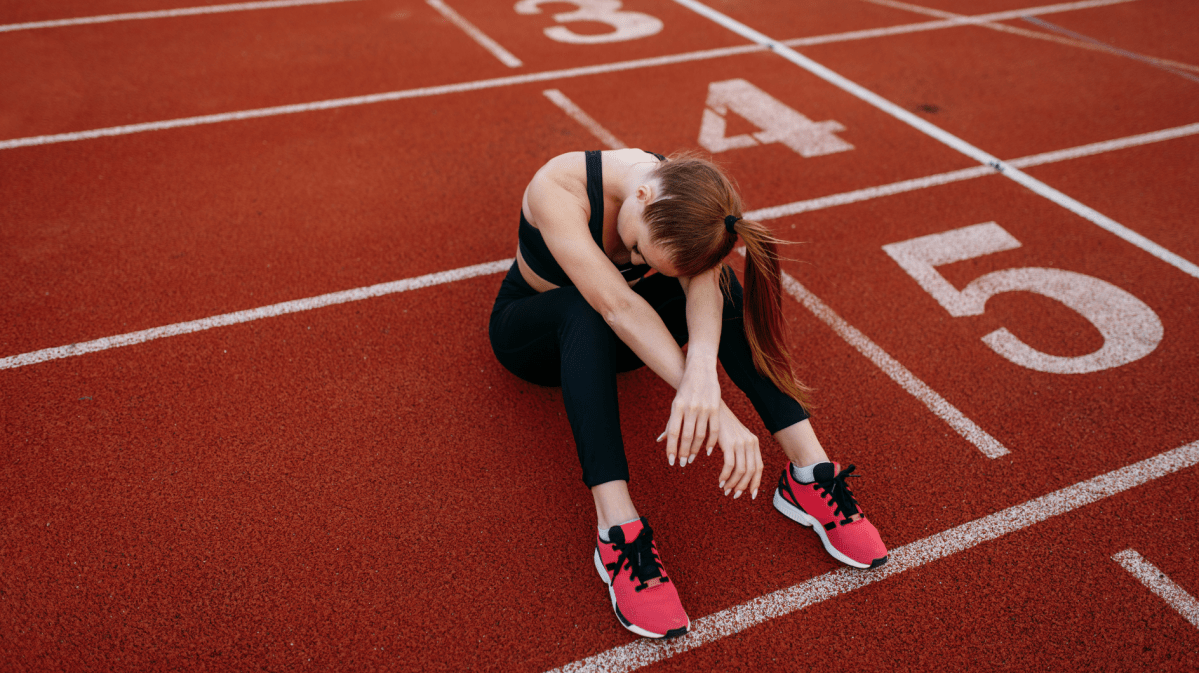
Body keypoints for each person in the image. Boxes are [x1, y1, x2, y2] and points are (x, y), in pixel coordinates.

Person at [488, 148, 887, 640]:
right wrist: (716, 411)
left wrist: (702, 369)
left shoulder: (689, 200)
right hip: (537, 338)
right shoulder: (559, 187)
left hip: (622, 335)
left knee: (724, 284)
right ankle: (617, 530)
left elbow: (703, 289)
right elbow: (618, 306)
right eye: (637, 249)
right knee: (583, 309)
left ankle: (809, 473)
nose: (634, 260)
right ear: (642, 195)